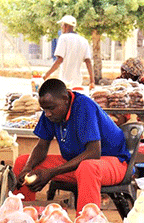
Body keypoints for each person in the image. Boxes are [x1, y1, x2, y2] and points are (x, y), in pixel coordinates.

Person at [13, 78, 130, 215]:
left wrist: (51, 172)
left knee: (87, 167)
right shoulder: (50, 112)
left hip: (114, 163)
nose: (47, 113)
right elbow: (42, 145)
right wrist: (28, 167)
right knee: (22, 163)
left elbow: (94, 152)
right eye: (44, 109)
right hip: (76, 164)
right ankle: (21, 218)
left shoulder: (83, 106)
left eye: (51, 108)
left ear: (66, 99)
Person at [43, 15, 95, 90]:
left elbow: (59, 60)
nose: (61, 28)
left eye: (62, 25)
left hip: (64, 82)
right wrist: (92, 81)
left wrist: (46, 75)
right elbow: (88, 62)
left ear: (65, 26)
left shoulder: (63, 38)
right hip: (77, 82)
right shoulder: (83, 40)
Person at [113, 57, 144, 136]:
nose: (123, 74)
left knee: (142, 123)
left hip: (141, 113)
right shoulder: (118, 82)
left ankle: (141, 142)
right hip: (121, 112)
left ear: (137, 75)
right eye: (122, 71)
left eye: (127, 72)